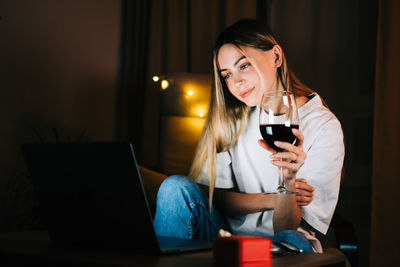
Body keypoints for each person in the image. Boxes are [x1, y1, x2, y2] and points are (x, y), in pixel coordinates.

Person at [153, 19, 344, 249]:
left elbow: (287, 228)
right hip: (226, 237)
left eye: (243, 66)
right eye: (227, 75)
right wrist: (274, 198)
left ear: (276, 57)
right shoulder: (232, 117)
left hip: (284, 246)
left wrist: (287, 179)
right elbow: (219, 199)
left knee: (293, 239)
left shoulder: (323, 125)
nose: (236, 83)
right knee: (174, 187)